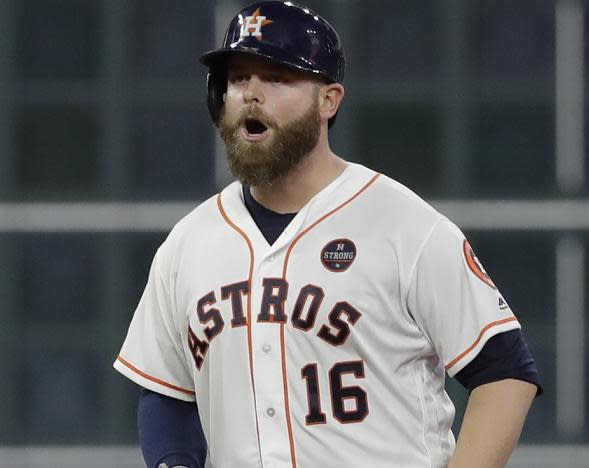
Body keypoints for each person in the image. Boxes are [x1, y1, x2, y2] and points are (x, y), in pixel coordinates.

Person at [114, 2, 541, 467]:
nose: (251, 94)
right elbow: (166, 392)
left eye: (277, 77)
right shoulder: (188, 243)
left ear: (329, 100)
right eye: (238, 78)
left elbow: (504, 374)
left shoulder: (404, 226)